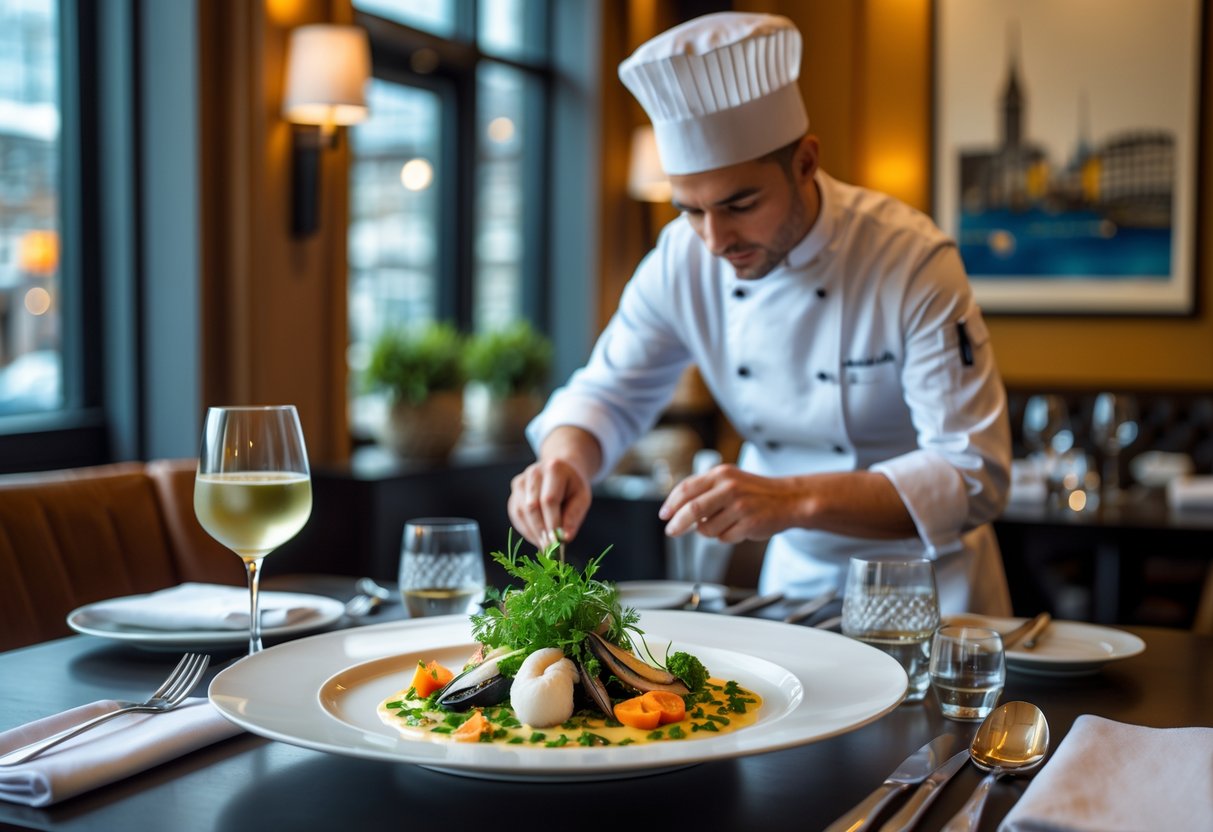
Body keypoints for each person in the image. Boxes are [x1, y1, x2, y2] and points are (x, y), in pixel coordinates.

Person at [506, 11, 1013, 615]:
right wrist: (563, 460)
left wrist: (791, 498)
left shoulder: (909, 260)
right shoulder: (682, 258)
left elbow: (975, 476)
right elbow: (607, 395)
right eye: (691, 210)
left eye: (739, 204)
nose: (716, 239)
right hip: (793, 591)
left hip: (933, 593)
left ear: (805, 162)